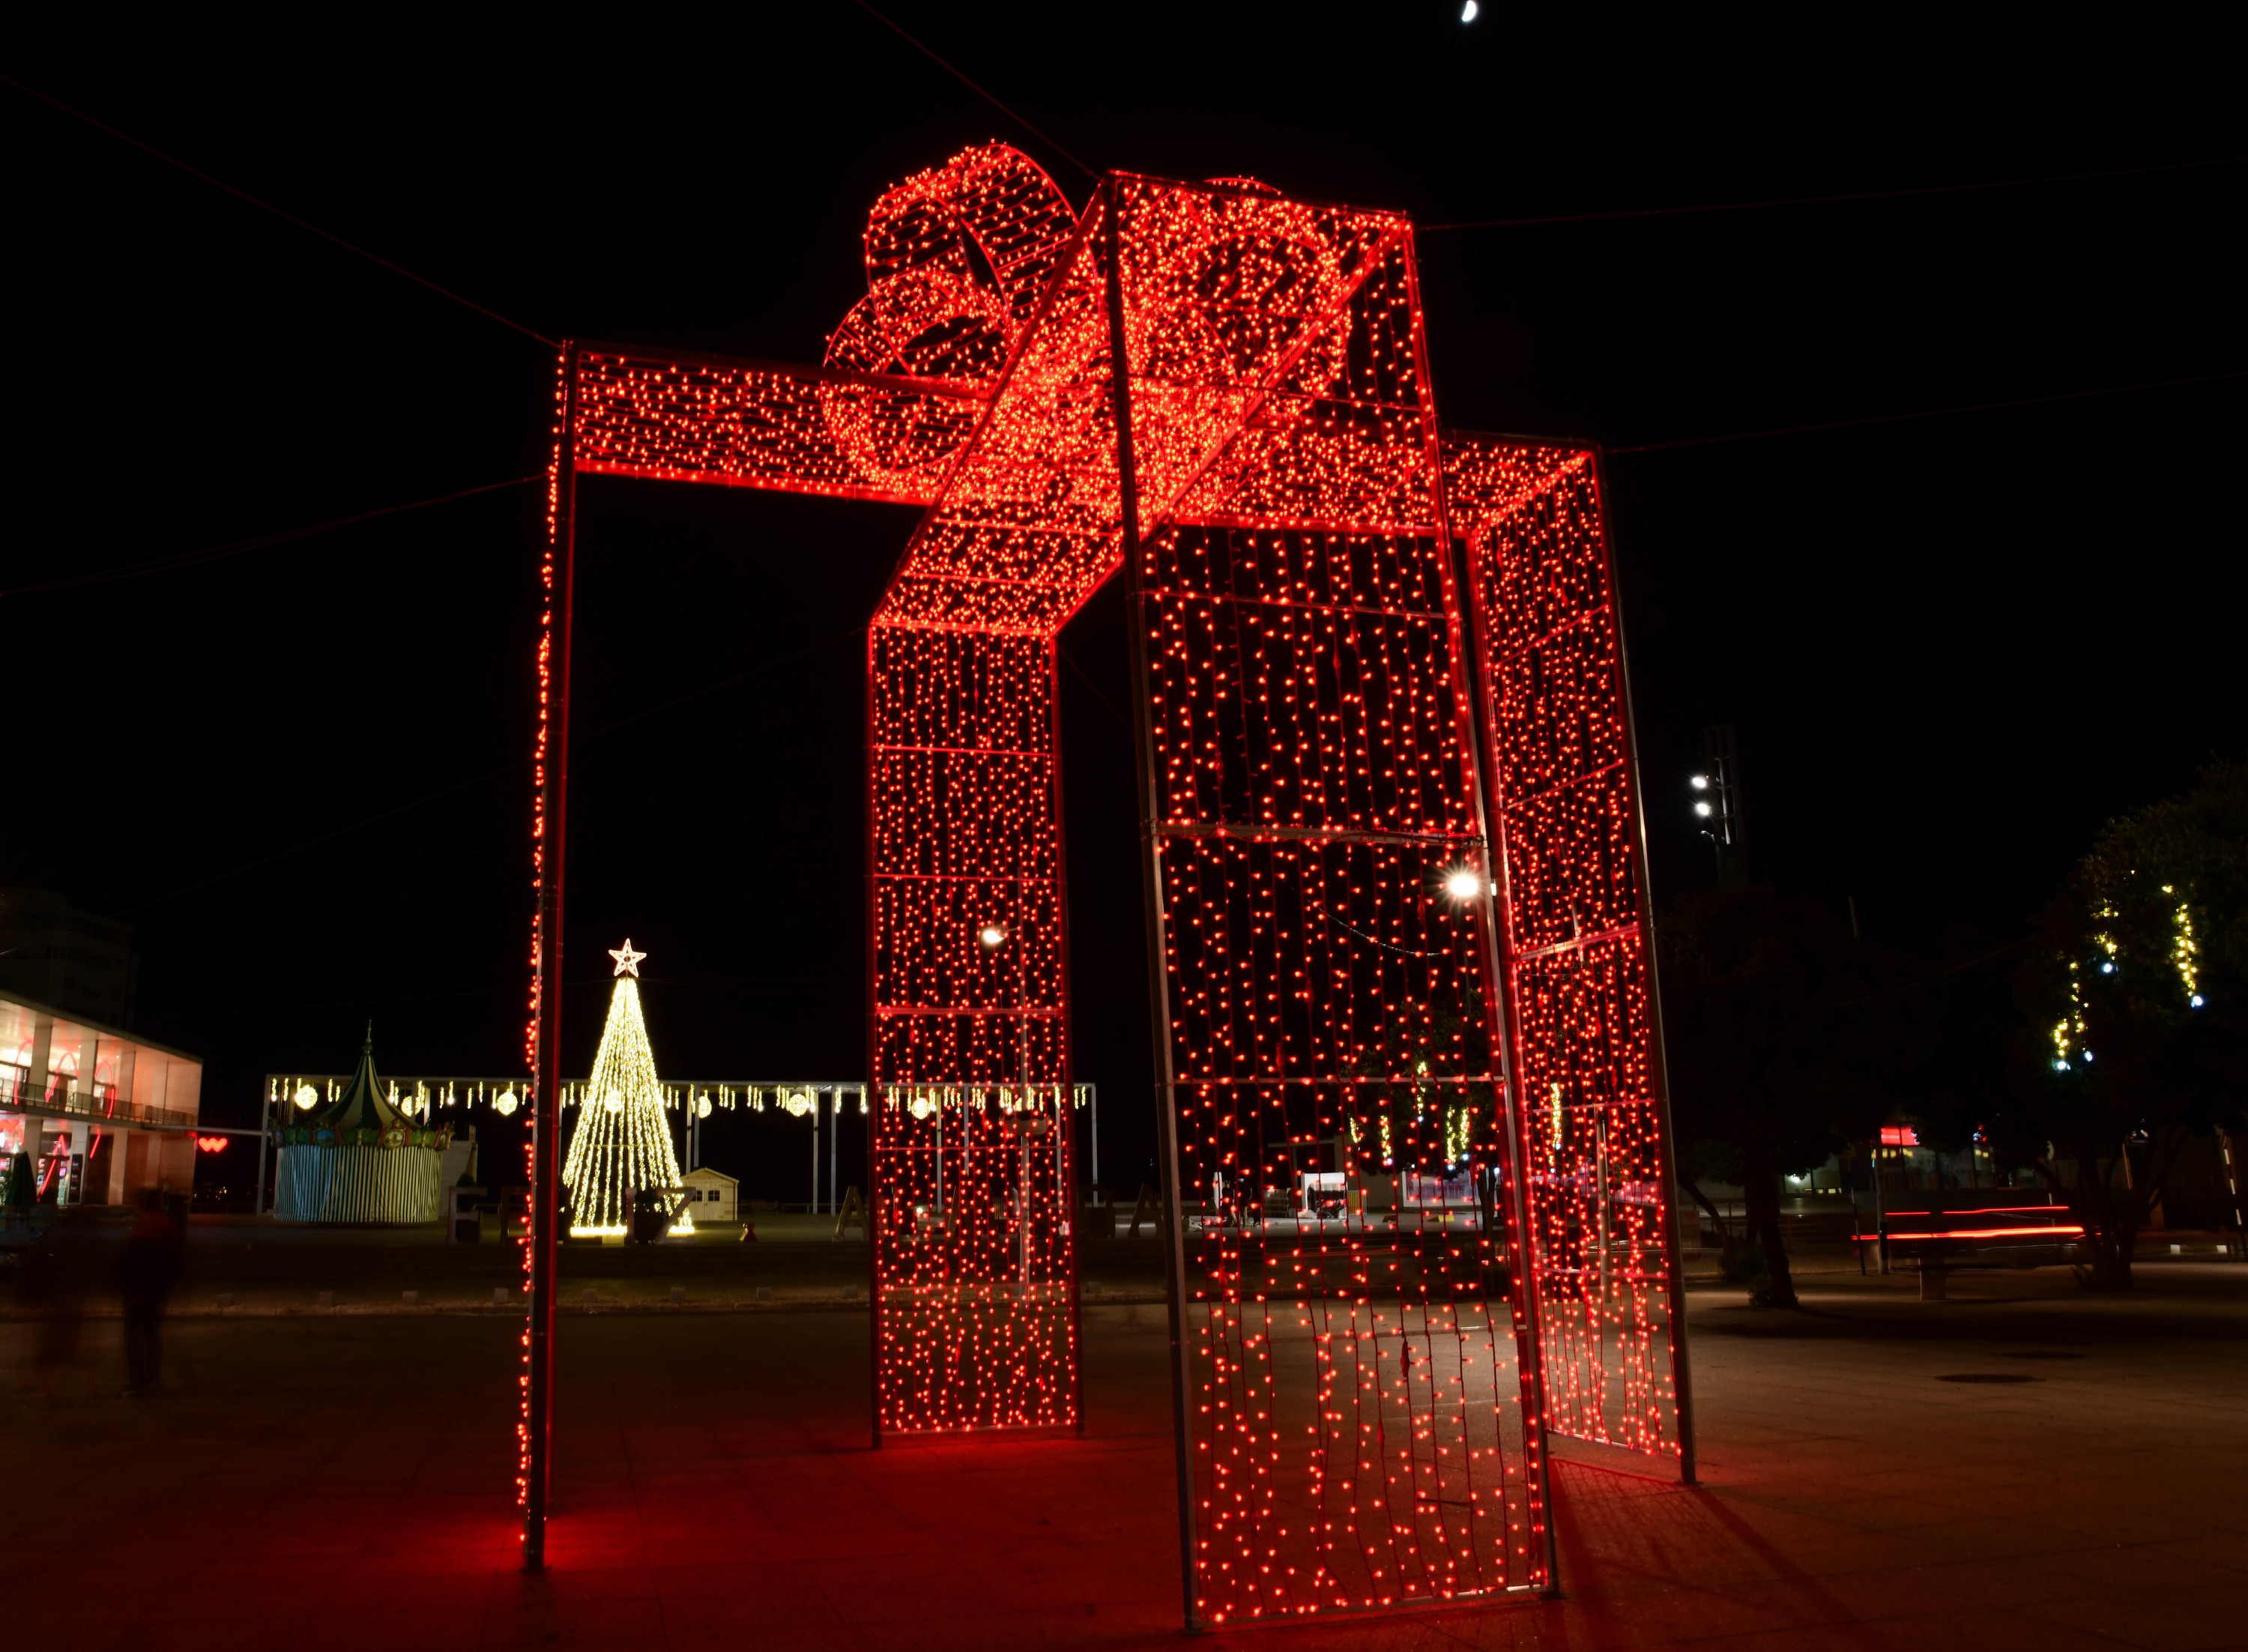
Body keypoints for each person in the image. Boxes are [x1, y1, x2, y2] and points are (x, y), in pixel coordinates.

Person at [116, 1187, 185, 1397]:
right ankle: (152, 1379)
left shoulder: (145, 1225)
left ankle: (137, 1381)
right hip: (159, 1288)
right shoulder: (167, 1223)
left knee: (133, 1334)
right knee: (151, 1334)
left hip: (141, 1289)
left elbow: (132, 1259)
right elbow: (177, 1259)